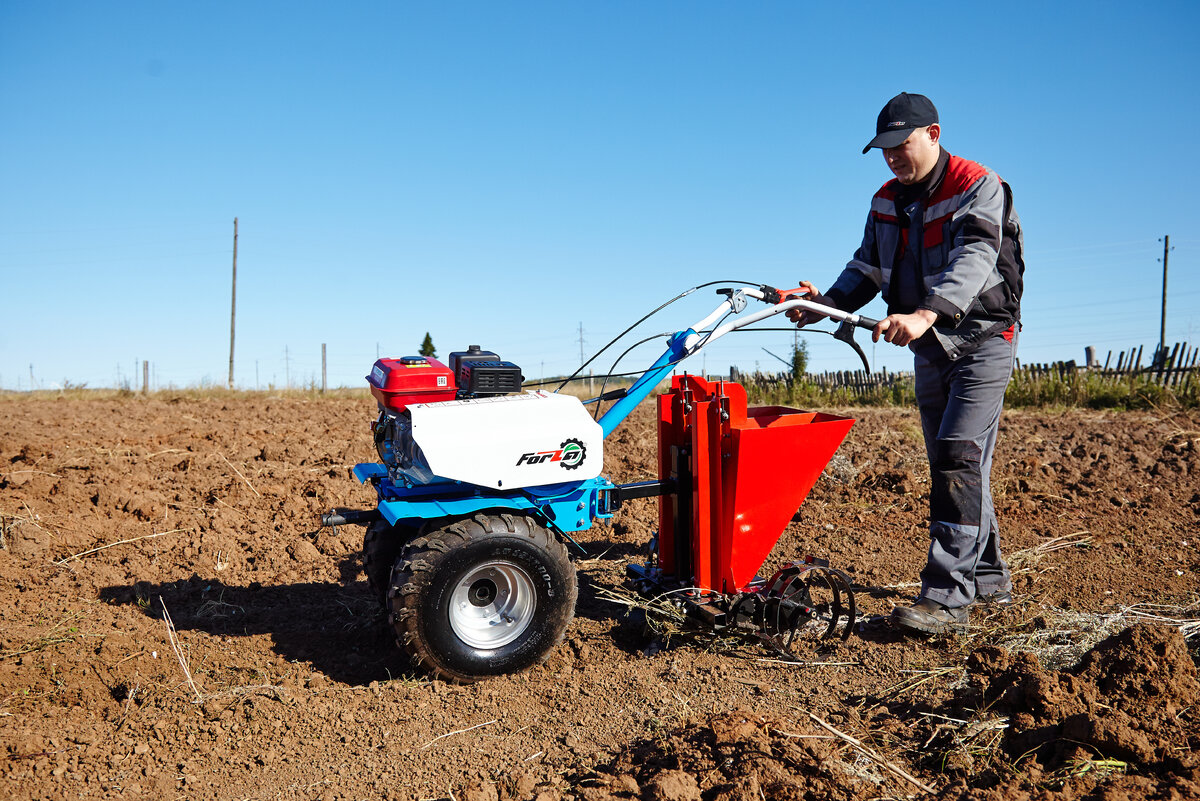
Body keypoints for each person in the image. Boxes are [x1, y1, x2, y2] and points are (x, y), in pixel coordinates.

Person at [790, 92, 1024, 635]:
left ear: (934, 135)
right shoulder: (885, 201)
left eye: (902, 144)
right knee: (955, 461)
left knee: (957, 454)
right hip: (930, 346)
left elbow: (975, 258)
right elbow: (868, 269)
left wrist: (926, 313)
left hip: (983, 337)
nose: (893, 156)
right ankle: (987, 578)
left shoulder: (977, 185)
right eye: (884, 148)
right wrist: (822, 303)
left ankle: (945, 599)